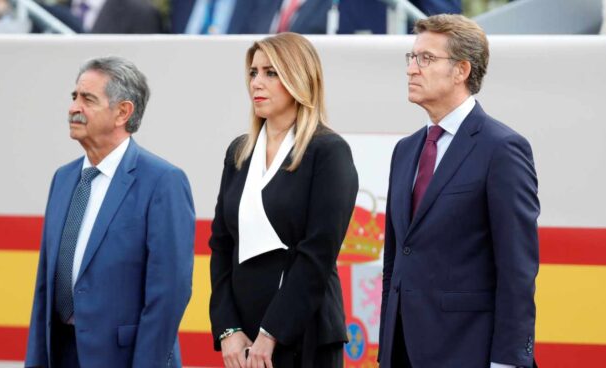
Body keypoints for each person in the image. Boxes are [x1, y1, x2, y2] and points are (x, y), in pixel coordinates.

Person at [378, 14, 539, 368]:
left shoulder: (502, 149)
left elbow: (517, 269)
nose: (412, 69)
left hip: (467, 351)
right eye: (411, 57)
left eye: (426, 59)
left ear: (461, 70)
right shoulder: (405, 151)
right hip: (401, 350)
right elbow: (396, 259)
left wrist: (509, 360)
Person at [25, 56, 195, 367]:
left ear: (122, 112)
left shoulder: (162, 181)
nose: (74, 108)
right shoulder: (63, 179)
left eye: (88, 99)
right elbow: (44, 288)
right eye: (74, 97)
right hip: (61, 353)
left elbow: (169, 293)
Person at [208, 32, 358, 368]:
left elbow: (318, 253)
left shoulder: (328, 152)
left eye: (270, 73)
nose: (257, 83)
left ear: (299, 78)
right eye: (253, 72)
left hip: (304, 335)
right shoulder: (239, 151)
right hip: (244, 338)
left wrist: (271, 332)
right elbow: (220, 245)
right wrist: (228, 328)